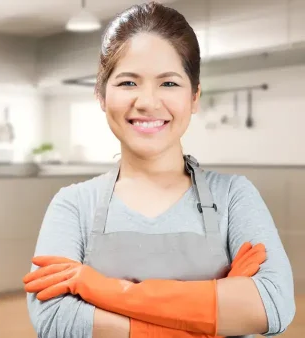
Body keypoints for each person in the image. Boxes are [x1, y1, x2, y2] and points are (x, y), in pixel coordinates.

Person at [23, 2, 296, 338]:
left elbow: (273, 306)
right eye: (127, 83)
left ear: (194, 97)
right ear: (101, 96)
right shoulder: (73, 205)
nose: (148, 102)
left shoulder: (235, 197)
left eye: (169, 84)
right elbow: (55, 320)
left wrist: (104, 291)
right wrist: (216, 315)